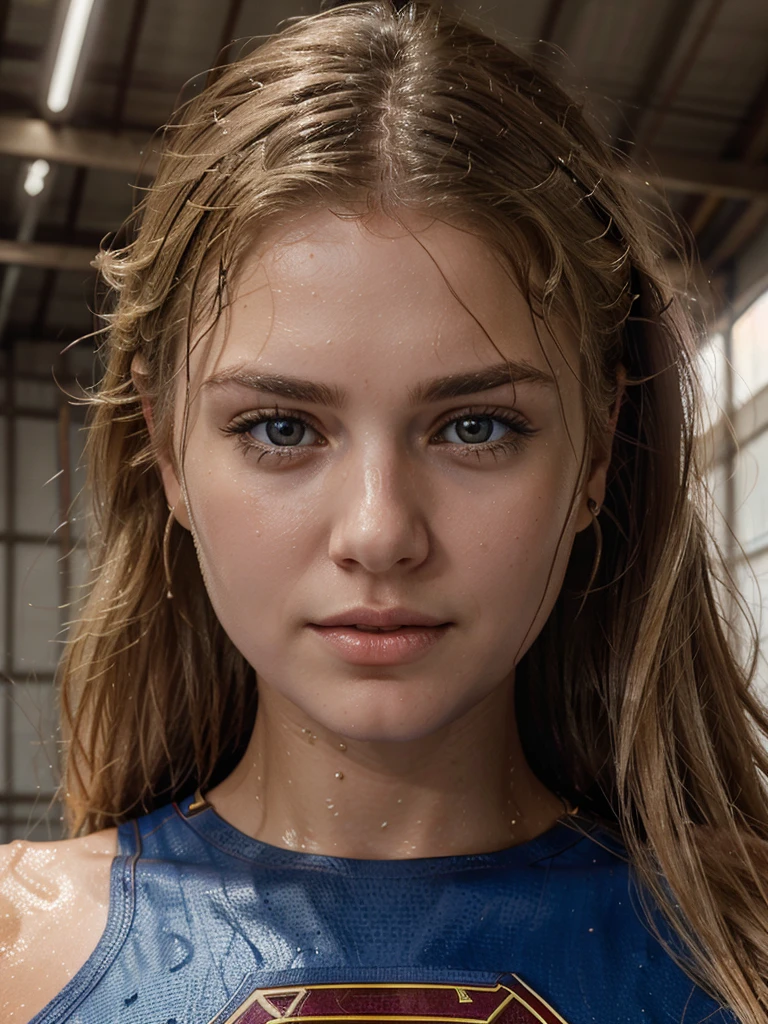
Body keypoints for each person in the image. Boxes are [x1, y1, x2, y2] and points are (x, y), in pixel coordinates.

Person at [2, 1, 767, 1021]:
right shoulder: (22, 949)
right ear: (168, 448)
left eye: (476, 427)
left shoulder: (746, 941)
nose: (378, 531)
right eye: (280, 428)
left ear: (596, 449)